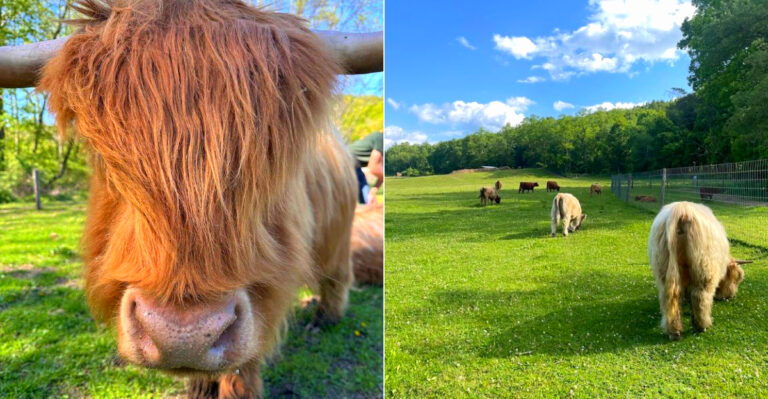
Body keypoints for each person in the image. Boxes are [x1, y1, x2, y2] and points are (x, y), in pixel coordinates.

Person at [347, 131, 383, 204]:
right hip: (344, 161)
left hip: (355, 166)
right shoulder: (381, 138)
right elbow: (374, 168)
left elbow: (379, 170)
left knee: (368, 199)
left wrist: (373, 191)